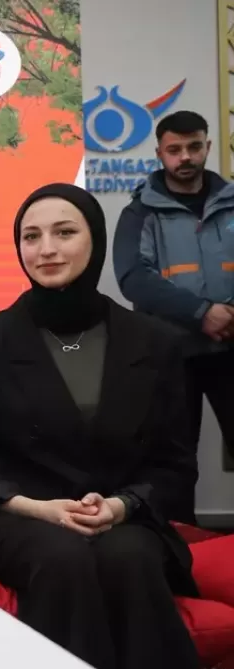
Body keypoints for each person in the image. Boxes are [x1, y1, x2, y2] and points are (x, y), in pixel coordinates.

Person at [0, 183, 199, 669]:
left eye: (64, 232)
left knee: (129, 557)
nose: (46, 249)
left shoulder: (155, 341)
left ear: (95, 240)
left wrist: (121, 506)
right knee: (63, 558)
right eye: (31, 236)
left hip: (124, 513)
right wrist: (39, 509)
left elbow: (175, 465)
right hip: (19, 515)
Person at [113, 109, 234, 520]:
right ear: (159, 153)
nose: (185, 157)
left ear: (208, 147)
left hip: (231, 348)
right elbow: (134, 278)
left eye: (194, 147)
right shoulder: (140, 212)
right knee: (175, 460)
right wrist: (203, 313)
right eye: (175, 149)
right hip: (170, 354)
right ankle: (182, 543)